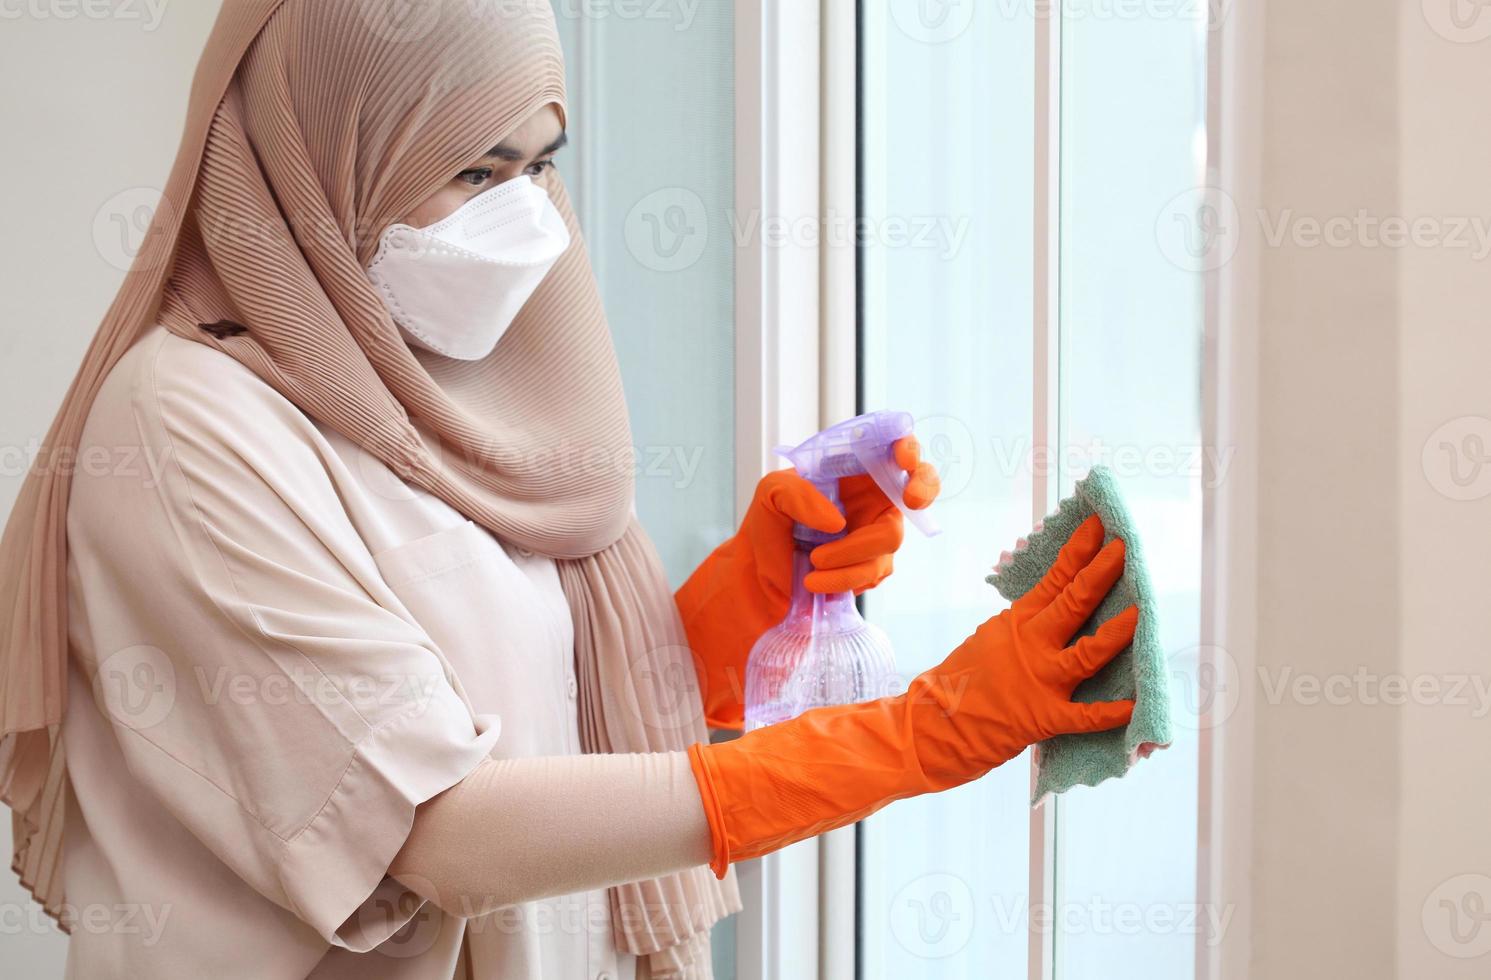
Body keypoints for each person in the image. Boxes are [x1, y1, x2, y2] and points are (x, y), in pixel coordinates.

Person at [0, 2, 1138, 977]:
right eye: (474, 172)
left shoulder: (445, 382)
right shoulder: (180, 427)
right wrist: (917, 737)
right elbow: (439, 828)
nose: (527, 215)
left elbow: (538, 712)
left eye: (542, 162)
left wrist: (745, 597)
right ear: (329, 165)